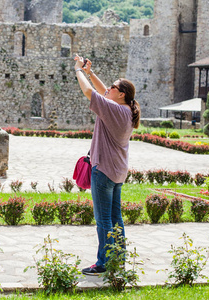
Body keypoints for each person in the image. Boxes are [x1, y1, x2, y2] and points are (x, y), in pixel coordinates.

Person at [73, 54, 141, 275]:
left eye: (113, 87)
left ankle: (103, 263)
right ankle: (118, 259)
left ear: (121, 94)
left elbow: (89, 93)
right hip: (117, 172)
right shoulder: (127, 110)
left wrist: (79, 71)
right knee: (115, 218)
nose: (108, 88)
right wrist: (91, 73)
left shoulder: (114, 110)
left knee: (103, 220)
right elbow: (103, 93)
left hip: (103, 171)